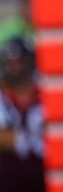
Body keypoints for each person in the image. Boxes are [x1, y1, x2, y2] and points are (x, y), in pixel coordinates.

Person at [0, 37, 44, 192]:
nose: (15, 68)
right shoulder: (3, 97)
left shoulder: (46, 93)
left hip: (44, 179)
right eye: (10, 63)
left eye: (20, 61)